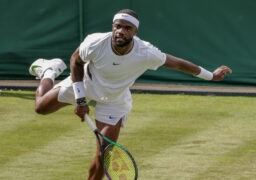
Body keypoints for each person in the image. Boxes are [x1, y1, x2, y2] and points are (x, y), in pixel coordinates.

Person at [29, 9, 232, 180]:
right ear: (113, 27)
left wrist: (211, 76)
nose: (121, 31)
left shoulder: (146, 53)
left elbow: (179, 64)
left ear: (135, 31)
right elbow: (75, 62)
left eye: (127, 28)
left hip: (115, 99)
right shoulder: (95, 42)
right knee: (40, 108)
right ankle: (48, 70)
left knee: (104, 155)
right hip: (85, 85)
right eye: (118, 26)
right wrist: (81, 99)